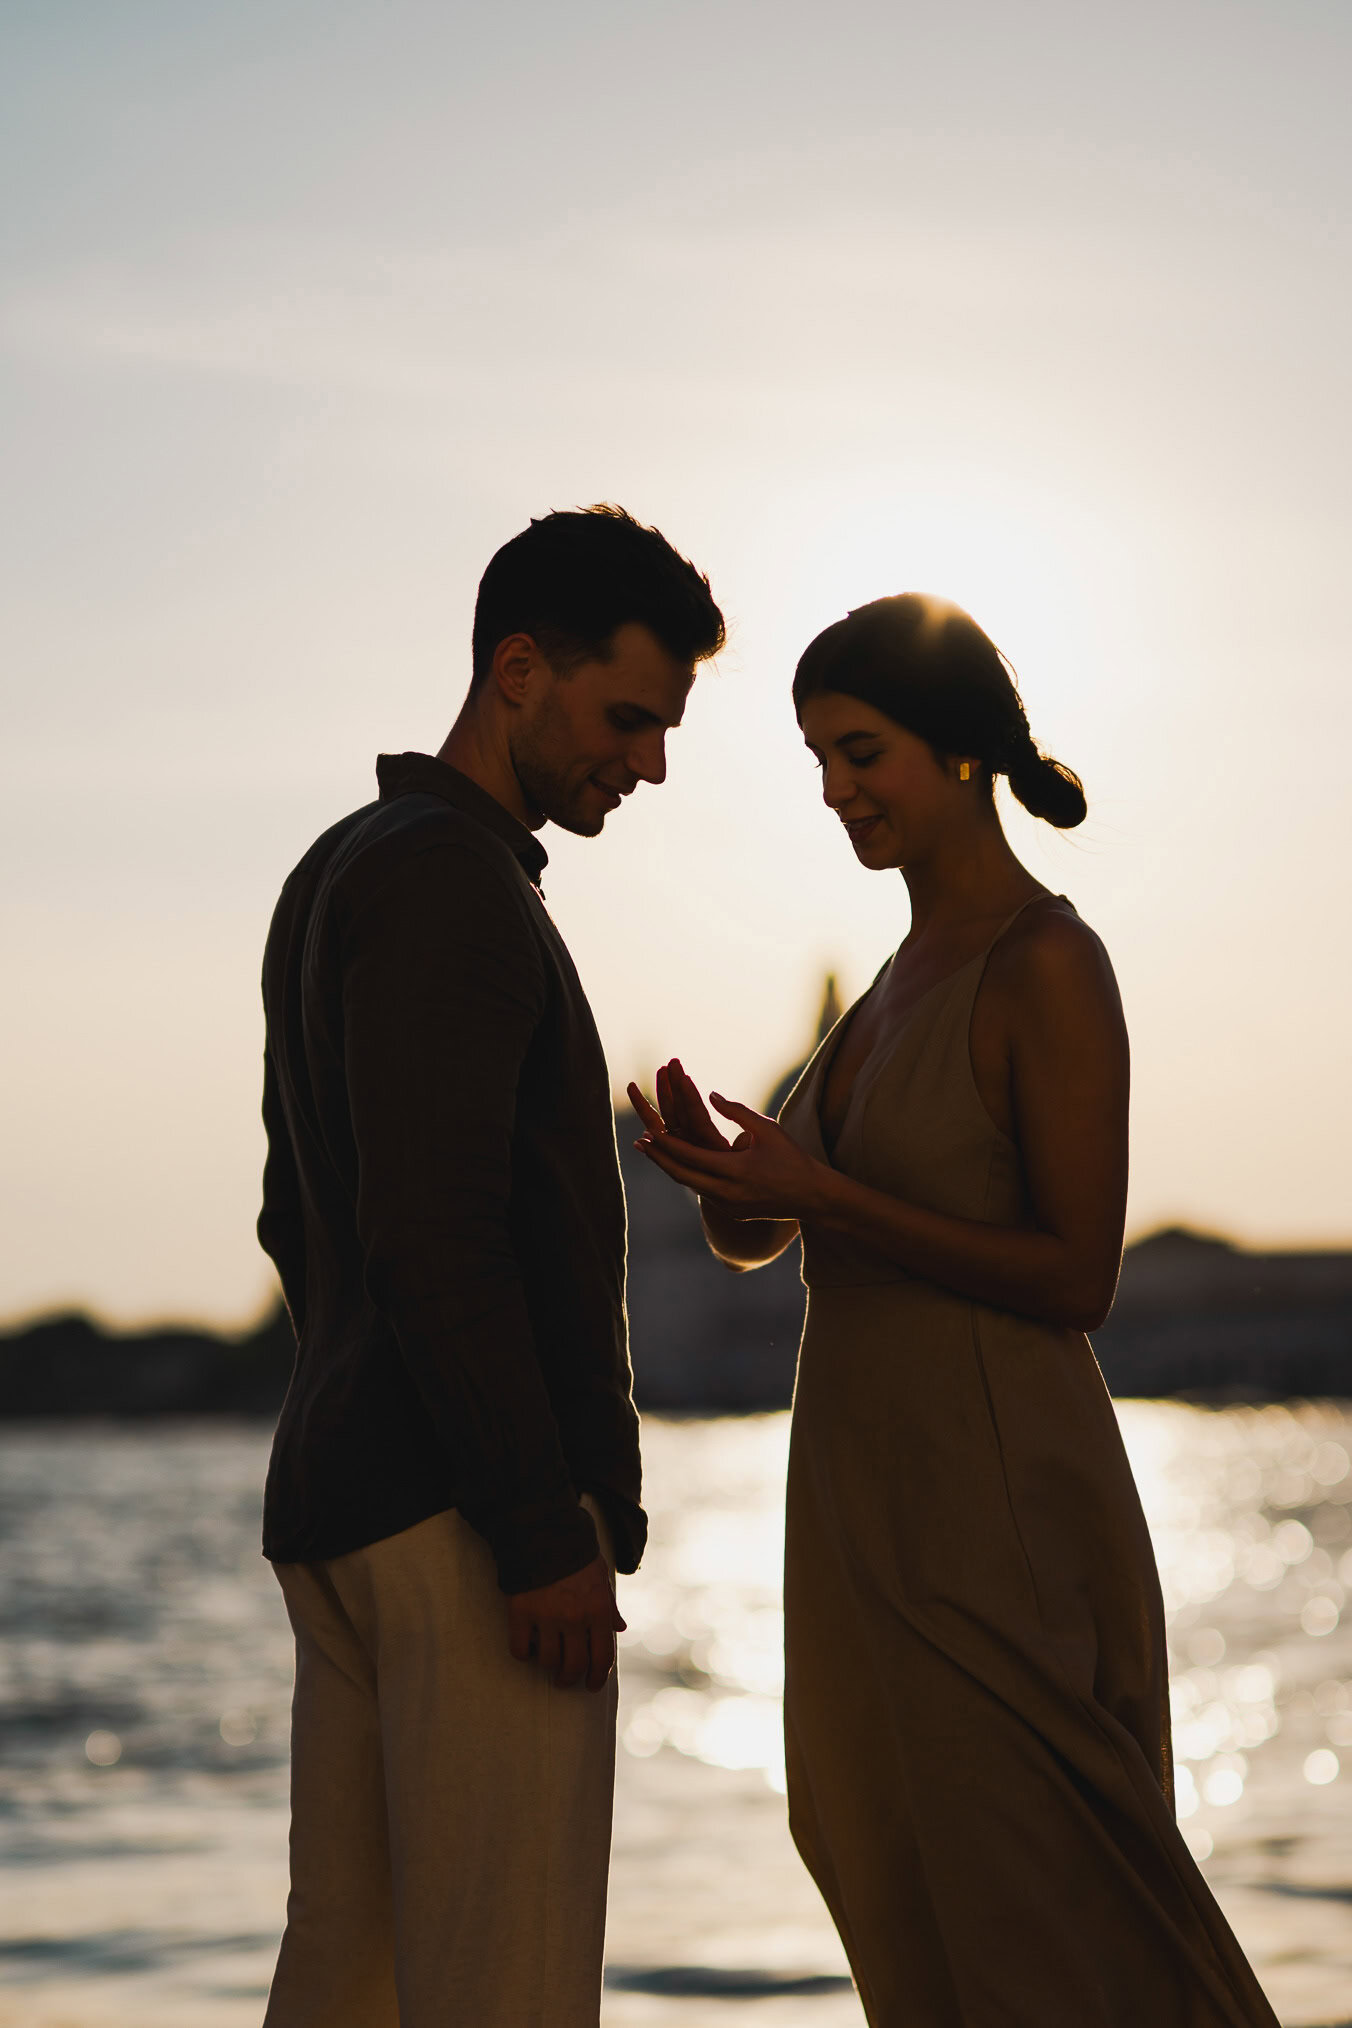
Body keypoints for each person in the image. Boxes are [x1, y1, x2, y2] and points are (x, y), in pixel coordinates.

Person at [630, 594, 1279, 2027]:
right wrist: (717, 1177)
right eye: (816, 762)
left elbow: (1074, 1274)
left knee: (1047, 1884)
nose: (836, 791)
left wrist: (823, 1193)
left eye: (862, 752)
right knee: (885, 1855)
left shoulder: (1046, 963)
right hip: (868, 1505)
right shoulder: (882, 994)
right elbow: (770, 1226)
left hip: (998, 1500)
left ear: (963, 753)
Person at [256, 505, 725, 2028]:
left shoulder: (340, 872)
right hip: (467, 1529)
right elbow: (434, 1235)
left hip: (349, 1504)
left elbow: (297, 1219)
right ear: (518, 669)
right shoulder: (456, 888)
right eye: (628, 715)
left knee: (351, 1989)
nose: (651, 762)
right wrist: (538, 1525)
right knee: (504, 1996)